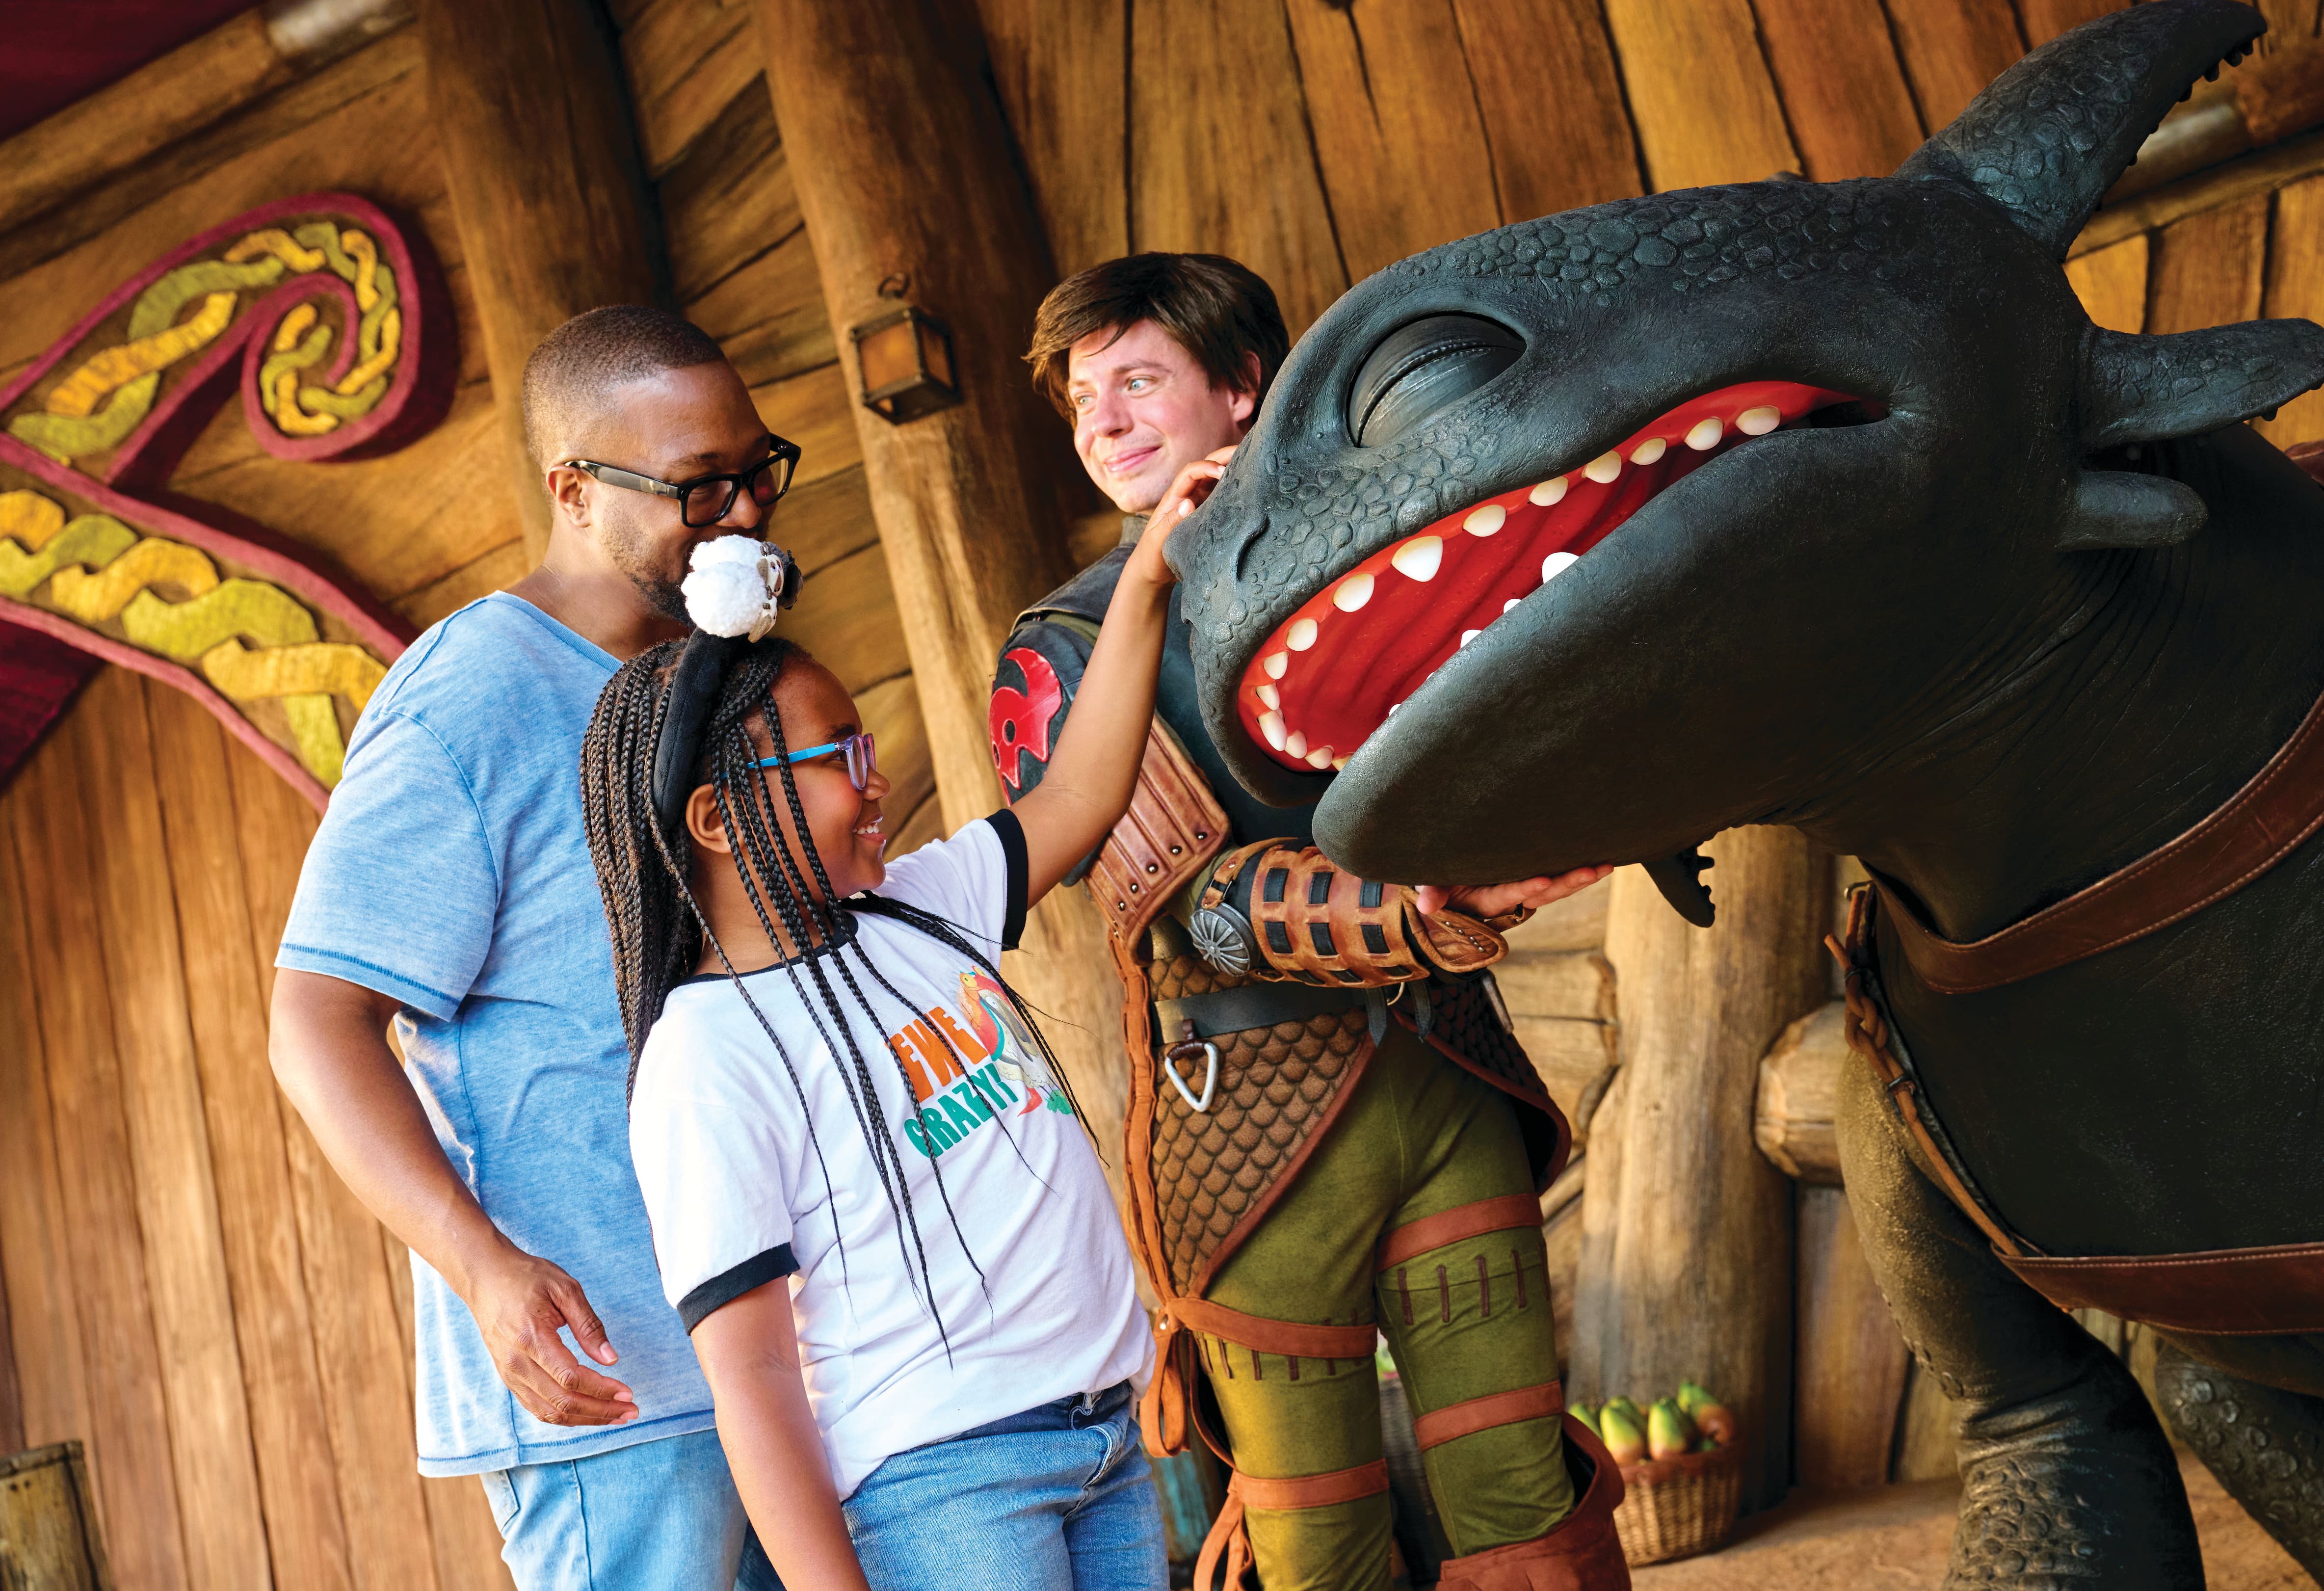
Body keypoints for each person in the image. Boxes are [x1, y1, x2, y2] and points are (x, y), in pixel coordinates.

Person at [990, 253, 1630, 1591]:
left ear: (1244, 386)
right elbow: (1189, 912)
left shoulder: (1386, 561)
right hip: (1248, 1133)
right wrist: (1421, 904)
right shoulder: (1061, 647)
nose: (1104, 422)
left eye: (1138, 381)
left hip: (1445, 1070)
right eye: (1085, 400)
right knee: (1314, 1538)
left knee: (1524, 1493)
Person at [267, 307, 796, 1590]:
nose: (741, 513)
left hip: (791, 1346)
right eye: (697, 486)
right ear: (573, 490)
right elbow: (314, 1021)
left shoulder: (727, 674)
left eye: (757, 470)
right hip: (619, 1377)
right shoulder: (468, 697)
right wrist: (483, 1269)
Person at [586, 500, 1193, 1589]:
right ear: (719, 820)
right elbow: (755, 1375)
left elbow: (1082, 789)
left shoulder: (920, 906)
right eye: (841, 755)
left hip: (1106, 1433)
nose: (875, 781)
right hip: (945, 1487)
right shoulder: (705, 1057)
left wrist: (1146, 577)